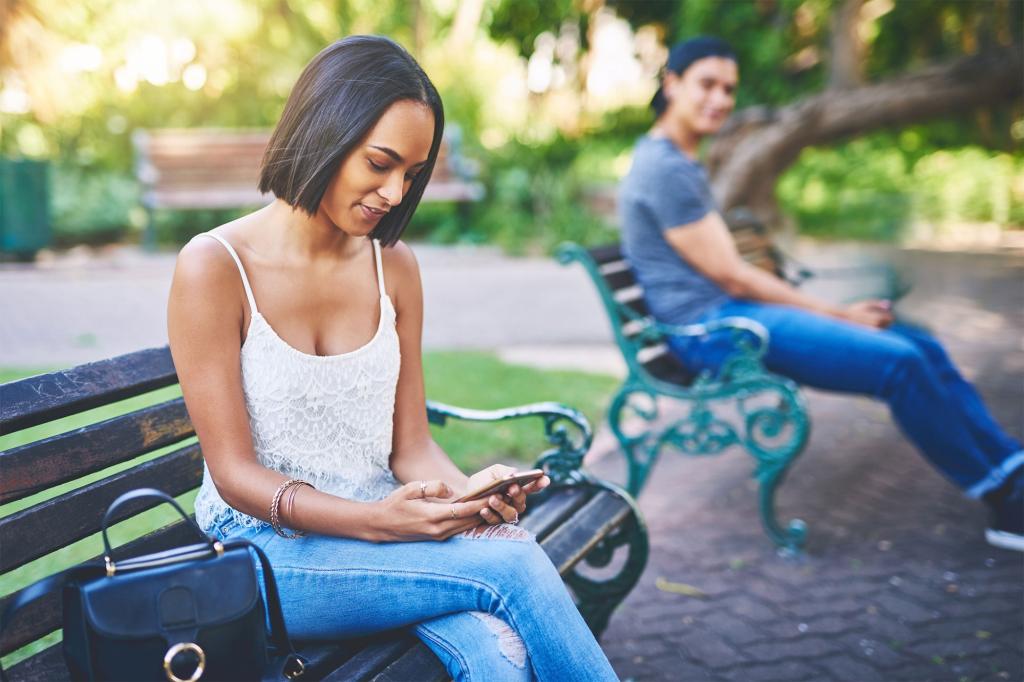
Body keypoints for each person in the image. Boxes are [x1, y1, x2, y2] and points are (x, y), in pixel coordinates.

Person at [168, 35, 618, 681]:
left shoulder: (394, 267)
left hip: (384, 533)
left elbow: (410, 445)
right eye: (380, 162)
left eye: (411, 173)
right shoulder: (215, 267)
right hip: (265, 554)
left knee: (498, 654)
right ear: (325, 132)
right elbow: (235, 474)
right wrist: (376, 523)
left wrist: (468, 499)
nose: (394, 191)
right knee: (513, 564)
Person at [618, 36, 1023, 552]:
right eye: (706, 85)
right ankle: (1007, 498)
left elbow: (732, 271)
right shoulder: (664, 168)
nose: (719, 99)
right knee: (898, 362)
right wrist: (839, 313)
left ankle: (1011, 469)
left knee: (918, 343)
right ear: (671, 84)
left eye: (728, 88)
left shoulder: (675, 159)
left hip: (731, 315)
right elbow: (732, 276)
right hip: (713, 331)